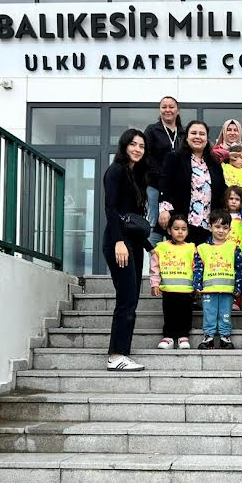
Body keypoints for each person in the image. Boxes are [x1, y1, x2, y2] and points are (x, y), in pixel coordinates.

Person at [102, 129, 149, 372]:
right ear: (124, 145)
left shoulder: (136, 174)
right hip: (118, 242)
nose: (137, 149)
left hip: (132, 244)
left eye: (141, 145)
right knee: (126, 297)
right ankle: (116, 355)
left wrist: (151, 248)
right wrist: (119, 241)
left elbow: (134, 221)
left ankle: (122, 352)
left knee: (132, 297)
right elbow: (111, 208)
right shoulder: (116, 170)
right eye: (133, 144)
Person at [158, 120, 227, 246]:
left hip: (207, 226)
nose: (198, 137)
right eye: (193, 133)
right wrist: (164, 210)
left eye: (202, 134)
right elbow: (165, 184)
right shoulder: (175, 158)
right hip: (183, 225)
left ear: (207, 138)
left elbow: (222, 190)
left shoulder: (215, 163)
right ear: (187, 137)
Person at [194, 210, 242, 350]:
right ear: (210, 227)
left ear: (229, 229)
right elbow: (198, 267)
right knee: (209, 313)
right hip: (208, 290)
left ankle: (225, 337)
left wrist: (238, 287)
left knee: (225, 313)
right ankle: (208, 337)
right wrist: (197, 284)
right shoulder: (202, 248)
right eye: (217, 227)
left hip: (227, 291)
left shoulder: (234, 248)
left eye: (225, 227)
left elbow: (239, 269)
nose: (221, 230)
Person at [149, 215, 196, 350]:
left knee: (185, 313)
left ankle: (183, 336)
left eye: (183, 229)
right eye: (176, 229)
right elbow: (155, 268)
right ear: (169, 230)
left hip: (186, 290)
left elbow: (196, 267)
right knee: (169, 313)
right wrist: (154, 284)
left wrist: (197, 285)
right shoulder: (161, 247)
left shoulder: (192, 248)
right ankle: (168, 337)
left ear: (187, 231)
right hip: (168, 289)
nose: (180, 232)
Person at [144, 97, 185, 244]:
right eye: (164, 107)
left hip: (177, 188)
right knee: (156, 222)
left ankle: (172, 261)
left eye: (171, 107)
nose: (168, 110)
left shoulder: (183, 133)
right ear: (159, 110)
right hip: (155, 184)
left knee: (175, 222)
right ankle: (154, 260)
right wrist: (162, 175)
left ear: (178, 111)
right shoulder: (152, 130)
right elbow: (146, 156)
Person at [212, 118, 242, 197]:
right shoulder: (216, 150)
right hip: (219, 193)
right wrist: (227, 154)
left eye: (235, 130)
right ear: (224, 132)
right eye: (229, 130)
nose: (232, 133)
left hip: (240, 196)